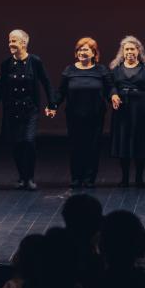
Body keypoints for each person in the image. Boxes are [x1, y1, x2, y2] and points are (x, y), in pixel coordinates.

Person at [0, 29, 55, 190]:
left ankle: (29, 177)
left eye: (13, 41)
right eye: (9, 41)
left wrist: (52, 104)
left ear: (24, 43)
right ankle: (22, 177)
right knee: (16, 144)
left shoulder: (35, 61)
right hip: (12, 111)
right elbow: (1, 88)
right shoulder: (6, 64)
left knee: (28, 142)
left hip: (30, 110)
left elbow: (46, 82)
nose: (10, 44)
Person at [52, 37, 112, 188]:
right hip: (74, 116)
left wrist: (115, 96)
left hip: (95, 116)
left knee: (93, 147)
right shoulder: (69, 70)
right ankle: (76, 177)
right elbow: (61, 92)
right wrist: (53, 106)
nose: (82, 52)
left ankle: (89, 178)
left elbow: (110, 89)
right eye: (79, 49)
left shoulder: (101, 70)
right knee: (76, 147)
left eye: (85, 49)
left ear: (93, 53)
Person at [109, 35, 145, 187]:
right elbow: (111, 87)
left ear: (138, 51)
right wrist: (114, 95)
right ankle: (124, 178)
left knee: (140, 142)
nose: (129, 51)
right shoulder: (116, 69)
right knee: (123, 142)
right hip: (122, 109)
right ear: (122, 51)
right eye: (127, 49)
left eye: (132, 49)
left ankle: (139, 178)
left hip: (140, 110)